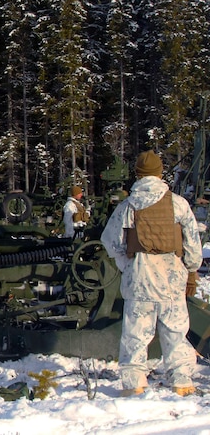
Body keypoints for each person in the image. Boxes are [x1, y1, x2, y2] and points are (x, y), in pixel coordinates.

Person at [101, 150, 201, 397]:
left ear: (138, 174)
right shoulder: (178, 204)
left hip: (140, 279)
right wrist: (190, 270)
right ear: (159, 173)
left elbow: (109, 240)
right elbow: (193, 245)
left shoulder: (128, 206)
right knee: (175, 333)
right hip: (172, 278)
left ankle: (134, 383)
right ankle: (181, 381)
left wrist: (127, 264)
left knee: (136, 334)